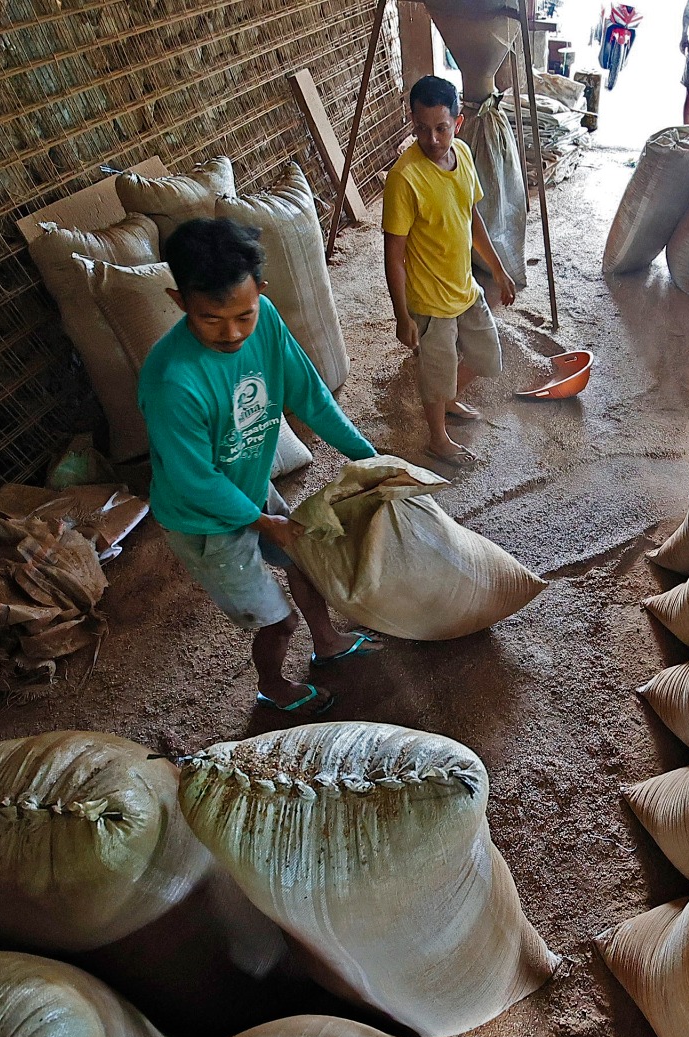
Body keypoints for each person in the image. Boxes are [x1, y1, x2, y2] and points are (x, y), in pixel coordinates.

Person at [139, 217, 381, 717]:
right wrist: (265, 521)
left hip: (249, 483)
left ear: (260, 294)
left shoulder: (266, 319)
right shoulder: (171, 380)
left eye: (243, 315)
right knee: (276, 622)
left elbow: (310, 395)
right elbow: (193, 479)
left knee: (305, 561)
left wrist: (367, 456)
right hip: (202, 518)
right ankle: (272, 686)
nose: (232, 333)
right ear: (179, 300)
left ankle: (329, 642)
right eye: (211, 319)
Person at [382, 75, 517, 468]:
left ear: (458, 124)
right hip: (429, 300)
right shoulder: (404, 179)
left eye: (442, 128)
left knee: (488, 357)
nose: (433, 139)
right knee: (434, 372)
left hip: (465, 287)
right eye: (422, 129)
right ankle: (437, 439)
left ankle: (448, 396)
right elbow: (394, 254)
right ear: (412, 122)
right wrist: (402, 314)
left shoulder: (463, 156)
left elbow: (471, 218)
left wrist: (498, 269)